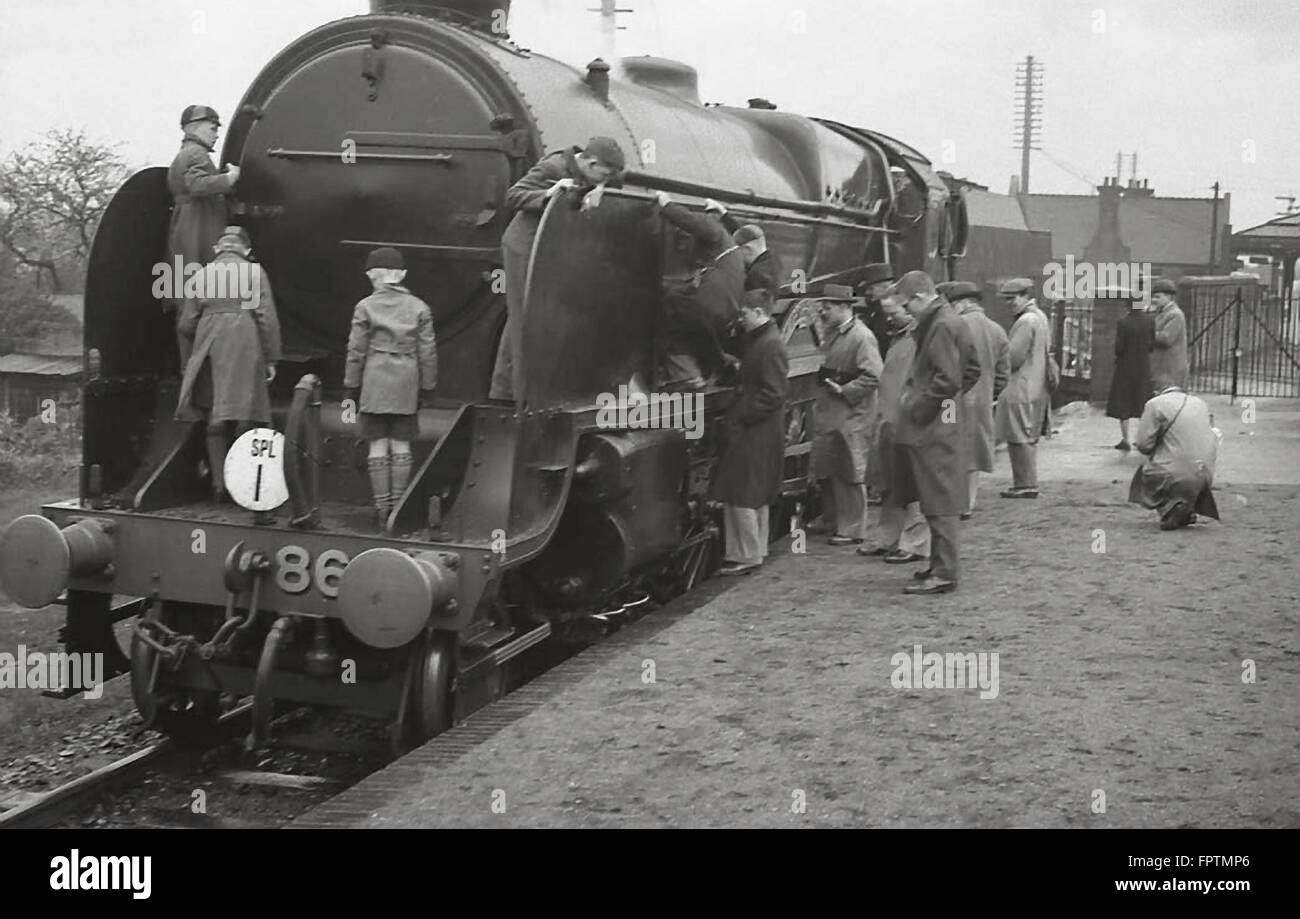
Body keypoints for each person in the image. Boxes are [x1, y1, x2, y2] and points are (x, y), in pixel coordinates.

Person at [489, 137, 626, 401]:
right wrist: (548, 195)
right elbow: (513, 195)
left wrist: (604, 189)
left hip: (554, 246)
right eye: (603, 175)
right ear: (591, 162)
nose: (603, 180)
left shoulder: (595, 172)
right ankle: (517, 395)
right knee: (526, 315)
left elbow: (614, 179)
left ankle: (517, 387)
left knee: (535, 314)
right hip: (526, 245)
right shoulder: (553, 168)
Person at [175, 227, 279, 503]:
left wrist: (208, 330)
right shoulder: (255, 273)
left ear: (217, 249)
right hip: (243, 340)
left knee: (215, 412)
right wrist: (271, 358)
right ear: (246, 250)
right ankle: (241, 486)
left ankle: (219, 485)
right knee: (244, 412)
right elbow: (265, 319)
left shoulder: (200, 275)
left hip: (207, 343)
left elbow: (185, 323)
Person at [344, 247, 438, 527]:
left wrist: (351, 385)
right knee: (401, 445)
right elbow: (428, 351)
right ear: (402, 275)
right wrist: (428, 387)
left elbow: (356, 350)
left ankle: (381, 508)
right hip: (406, 382)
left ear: (373, 275)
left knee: (377, 445)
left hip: (374, 382)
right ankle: (398, 508)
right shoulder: (420, 307)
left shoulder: (365, 307)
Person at [890, 271, 967, 595]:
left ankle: (945, 572)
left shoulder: (939, 325)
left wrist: (919, 407)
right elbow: (969, 371)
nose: (907, 311)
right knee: (937, 498)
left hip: (932, 428)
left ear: (922, 297)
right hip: (940, 425)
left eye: (908, 305)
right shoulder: (948, 321)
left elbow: (949, 379)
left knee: (939, 501)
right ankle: (938, 565)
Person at [711, 289, 790, 575]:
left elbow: (774, 394)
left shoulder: (770, 345)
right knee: (753, 492)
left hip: (756, 429)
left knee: (741, 491)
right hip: (759, 428)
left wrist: (739, 416)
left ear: (758, 312)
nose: (741, 319)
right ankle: (756, 549)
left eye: (744, 313)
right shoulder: (765, 341)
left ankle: (745, 554)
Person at [857, 286, 931, 564]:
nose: (889, 319)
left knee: (913, 484)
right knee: (890, 483)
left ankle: (915, 544)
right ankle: (887, 537)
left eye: (895, 312)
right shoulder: (900, 337)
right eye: (886, 313)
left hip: (907, 419)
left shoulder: (922, 338)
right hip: (889, 419)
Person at [168, 105, 240, 368]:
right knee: (198, 295)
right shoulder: (195, 153)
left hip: (189, 228)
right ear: (193, 128)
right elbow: (197, 185)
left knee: (189, 296)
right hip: (197, 231)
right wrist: (229, 179)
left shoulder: (186, 153)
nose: (216, 134)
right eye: (212, 128)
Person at [810, 284, 882, 545]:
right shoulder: (835, 333)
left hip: (852, 414)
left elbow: (874, 376)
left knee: (850, 470)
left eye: (827, 308)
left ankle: (853, 529)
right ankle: (832, 519)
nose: (822, 312)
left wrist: (845, 389)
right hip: (833, 412)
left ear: (844, 307)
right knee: (829, 466)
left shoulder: (862, 337)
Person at [654, 192, 747, 389]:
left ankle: (688, 374)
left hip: (713, 301)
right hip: (726, 304)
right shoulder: (728, 242)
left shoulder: (712, 227)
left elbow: (692, 222)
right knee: (684, 313)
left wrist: (666, 204)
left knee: (673, 310)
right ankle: (713, 367)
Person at [949, 281, 1009, 517]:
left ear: (961, 303)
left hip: (950, 401)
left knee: (949, 444)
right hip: (982, 401)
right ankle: (968, 503)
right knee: (974, 451)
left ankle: (952, 501)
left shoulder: (954, 327)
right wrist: (990, 394)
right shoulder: (997, 330)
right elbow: (1004, 374)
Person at [1128, 383, 1220, 530]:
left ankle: (1169, 509)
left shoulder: (1155, 404)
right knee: (1186, 466)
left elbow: (1143, 445)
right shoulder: (1200, 403)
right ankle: (1186, 509)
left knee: (1148, 472)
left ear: (1157, 391)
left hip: (1175, 473)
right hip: (1205, 473)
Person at [994, 277, 1050, 498]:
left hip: (1022, 385)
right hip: (1037, 384)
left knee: (1018, 437)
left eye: (1013, 298)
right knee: (1028, 435)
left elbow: (1014, 358)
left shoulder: (1025, 321)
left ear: (1025, 295)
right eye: (1007, 299)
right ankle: (1027, 483)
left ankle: (1024, 484)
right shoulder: (1040, 317)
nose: (1010, 303)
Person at [1106, 289, 1155, 451]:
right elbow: (1151, 345)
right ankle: (1140, 439)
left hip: (1125, 367)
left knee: (1123, 402)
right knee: (1142, 401)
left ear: (1127, 305)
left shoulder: (1123, 323)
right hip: (1143, 366)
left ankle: (1125, 439)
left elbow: (1119, 348)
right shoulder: (1150, 321)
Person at [704, 200, 781, 298]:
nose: (735, 253)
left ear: (748, 250)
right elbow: (746, 236)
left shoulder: (756, 277)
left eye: (737, 250)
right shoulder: (770, 256)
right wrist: (724, 214)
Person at [1149, 278, 1189, 390]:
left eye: (1158, 297)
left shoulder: (1175, 314)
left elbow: (1166, 339)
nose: (1154, 300)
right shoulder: (1161, 313)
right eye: (1153, 297)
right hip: (1162, 368)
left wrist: (1146, 333)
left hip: (1170, 369)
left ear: (1169, 297)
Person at [855, 263, 897, 359]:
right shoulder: (872, 310)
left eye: (870, 288)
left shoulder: (897, 312)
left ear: (886, 287)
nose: (867, 292)